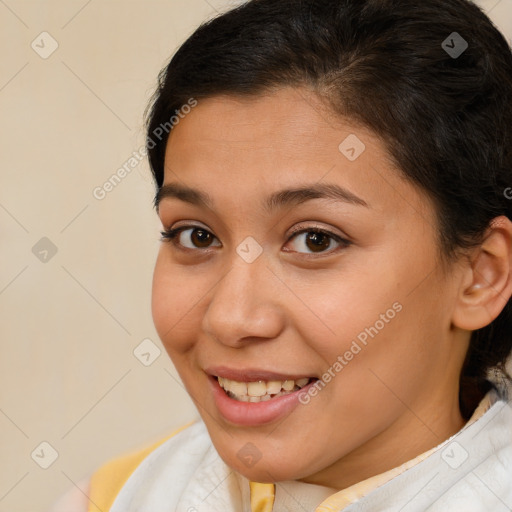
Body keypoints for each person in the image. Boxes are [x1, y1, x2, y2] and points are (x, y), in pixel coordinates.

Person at [51, 0, 512, 510]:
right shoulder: (118, 496)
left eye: (316, 239)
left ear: (481, 275)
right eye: (196, 236)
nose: (231, 319)